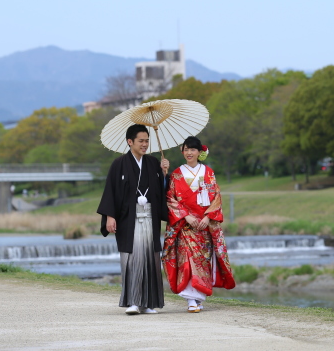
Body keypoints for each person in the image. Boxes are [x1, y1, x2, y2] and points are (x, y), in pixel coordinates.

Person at [97, 124, 169, 315]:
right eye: (141, 141)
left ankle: (147, 303)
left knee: (150, 259)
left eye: (147, 141)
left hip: (149, 216)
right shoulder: (118, 164)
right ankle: (133, 302)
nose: (145, 144)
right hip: (128, 219)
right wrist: (110, 217)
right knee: (131, 259)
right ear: (130, 142)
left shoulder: (153, 163)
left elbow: (161, 191)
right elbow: (110, 192)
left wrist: (163, 174)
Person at [162, 136, 235, 313]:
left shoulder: (208, 172)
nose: (189, 153)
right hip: (185, 226)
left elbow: (216, 197)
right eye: (186, 149)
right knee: (188, 260)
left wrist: (208, 218)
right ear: (182, 151)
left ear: (199, 152)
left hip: (204, 225)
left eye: (192, 149)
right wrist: (186, 216)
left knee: (202, 261)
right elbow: (170, 198)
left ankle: (198, 296)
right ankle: (190, 300)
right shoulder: (177, 173)